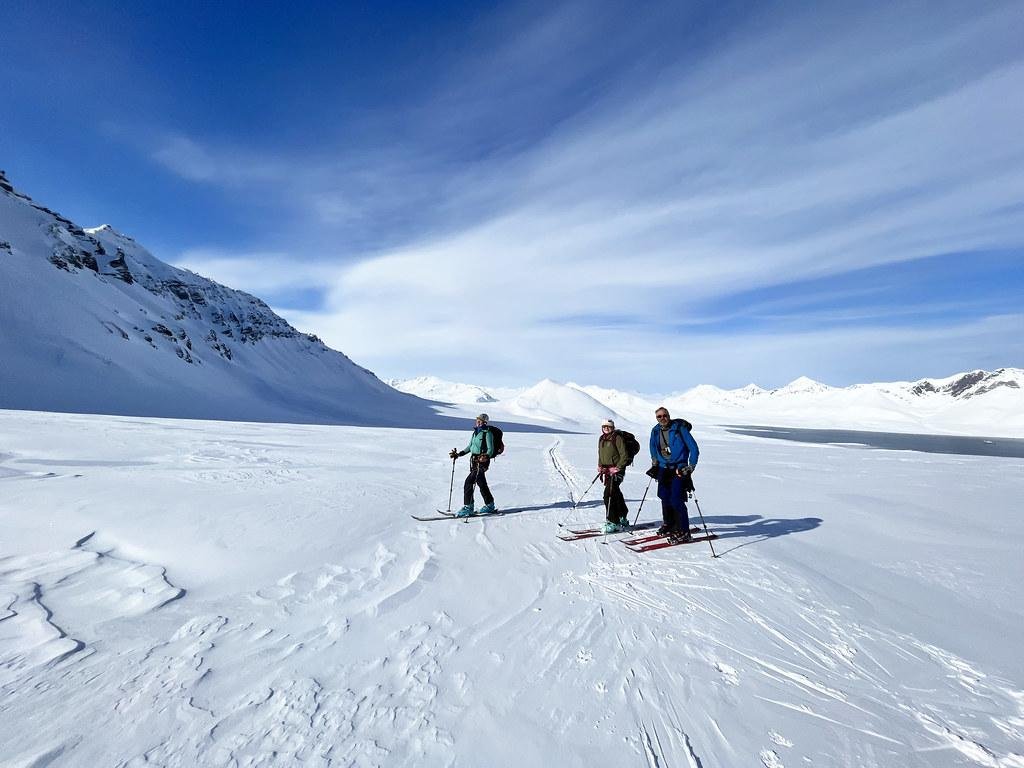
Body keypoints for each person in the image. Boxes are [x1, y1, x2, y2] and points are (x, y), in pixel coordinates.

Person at [648, 407, 699, 539]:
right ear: (656, 418)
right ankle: (669, 524)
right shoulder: (655, 431)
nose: (662, 418)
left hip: (679, 468)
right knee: (664, 496)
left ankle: (684, 531)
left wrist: (690, 466)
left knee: (676, 499)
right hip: (663, 468)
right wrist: (655, 461)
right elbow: (652, 446)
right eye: (659, 416)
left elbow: (694, 448)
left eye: (665, 415)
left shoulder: (679, 428)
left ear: (669, 416)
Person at [449, 413, 497, 517]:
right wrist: (459, 454)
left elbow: (491, 449)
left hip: (482, 462)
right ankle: (490, 505)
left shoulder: (487, 433)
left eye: (480, 421)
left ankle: (468, 507)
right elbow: (470, 447)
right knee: (481, 483)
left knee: (468, 482)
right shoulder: (475, 433)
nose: (478, 422)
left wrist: (484, 456)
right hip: (474, 461)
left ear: (485, 422)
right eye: (477, 420)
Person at [598, 419, 630, 533]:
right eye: (604, 426)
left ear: (613, 427)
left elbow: (624, 455)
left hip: (617, 471)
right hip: (607, 471)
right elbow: (600, 454)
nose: (606, 428)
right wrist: (600, 465)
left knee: (609, 494)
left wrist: (618, 467)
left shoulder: (617, 438)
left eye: (609, 426)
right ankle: (623, 516)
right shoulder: (602, 438)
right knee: (615, 492)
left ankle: (613, 521)